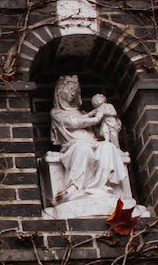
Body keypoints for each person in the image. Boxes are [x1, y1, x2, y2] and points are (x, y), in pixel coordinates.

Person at [49, 76, 133, 204]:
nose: (72, 93)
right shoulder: (56, 112)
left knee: (108, 147)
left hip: (93, 142)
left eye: (75, 91)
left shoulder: (82, 112)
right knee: (83, 148)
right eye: (69, 89)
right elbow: (74, 123)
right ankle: (74, 188)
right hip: (73, 146)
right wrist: (96, 117)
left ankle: (100, 186)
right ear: (59, 92)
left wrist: (108, 123)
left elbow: (96, 131)